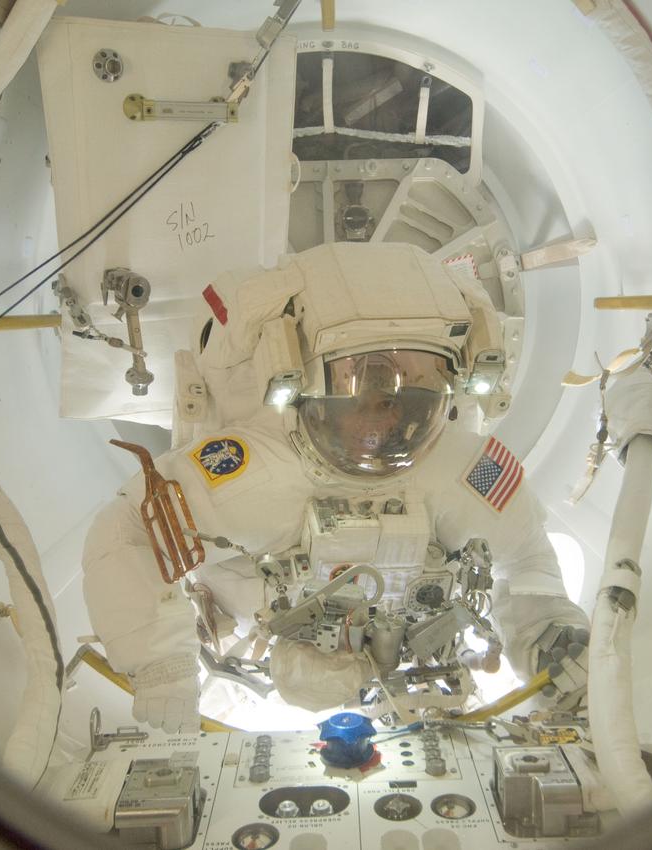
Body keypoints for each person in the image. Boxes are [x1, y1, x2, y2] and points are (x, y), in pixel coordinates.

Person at [82, 242, 589, 732]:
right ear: (302, 382)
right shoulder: (250, 469)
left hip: (421, 683)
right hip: (253, 669)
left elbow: (526, 557)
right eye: (357, 393)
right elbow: (127, 530)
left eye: (403, 395)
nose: (381, 421)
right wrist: (162, 664)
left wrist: (549, 636)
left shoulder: (463, 468)